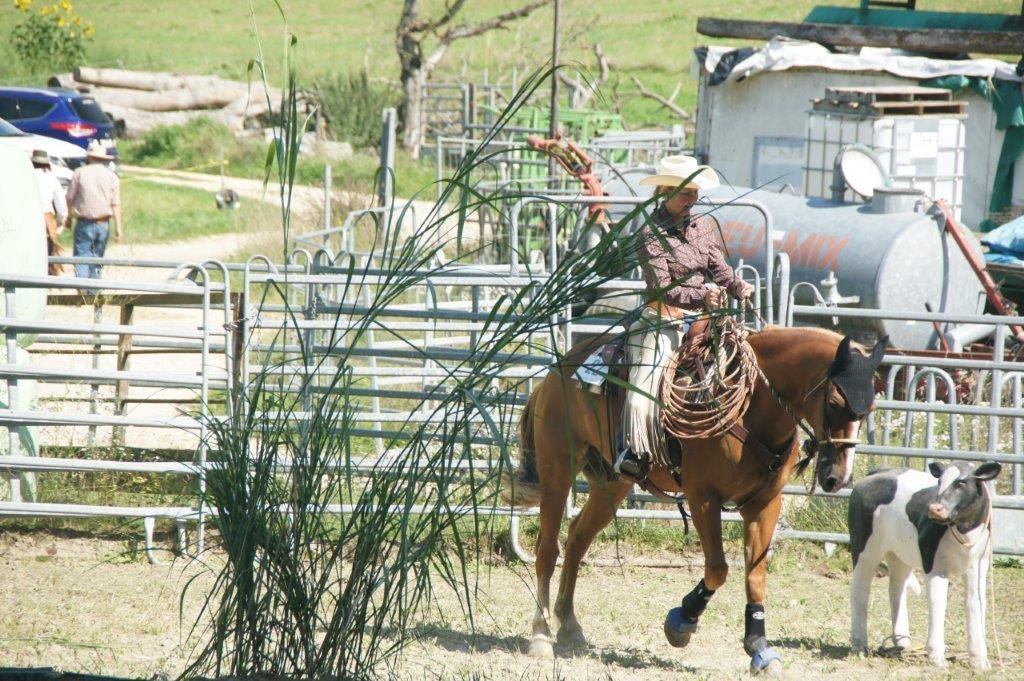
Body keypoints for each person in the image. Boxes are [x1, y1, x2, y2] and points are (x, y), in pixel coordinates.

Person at [614, 155, 753, 483]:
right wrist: (701, 295)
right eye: (684, 193)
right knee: (645, 382)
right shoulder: (651, 233)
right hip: (664, 317)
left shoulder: (703, 227)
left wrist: (735, 285)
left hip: (705, 315)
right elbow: (663, 287)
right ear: (665, 192)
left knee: (746, 356)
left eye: (694, 192)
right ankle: (633, 449)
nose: (692, 199)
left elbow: (719, 268)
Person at [65, 139, 121, 281]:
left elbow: (70, 197)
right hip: (103, 223)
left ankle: (82, 289)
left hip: (84, 221)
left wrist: (68, 217)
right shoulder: (111, 176)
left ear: (89, 156)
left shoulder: (79, 172)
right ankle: (94, 292)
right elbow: (115, 204)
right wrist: (119, 229)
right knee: (98, 260)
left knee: (81, 256)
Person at [31, 149, 68, 276]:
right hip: (47, 217)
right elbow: (61, 206)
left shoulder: (25, 176)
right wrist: (59, 223)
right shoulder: (51, 179)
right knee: (48, 252)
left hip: (28, 216)